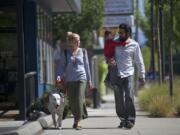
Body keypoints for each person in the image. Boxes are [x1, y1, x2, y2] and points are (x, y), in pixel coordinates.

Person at [107, 23, 146, 129]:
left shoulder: (134, 45)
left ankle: (130, 120)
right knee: (119, 100)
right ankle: (123, 119)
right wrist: (110, 60)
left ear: (128, 33)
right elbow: (108, 55)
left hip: (128, 74)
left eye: (122, 33)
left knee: (129, 96)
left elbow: (139, 61)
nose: (119, 34)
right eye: (119, 32)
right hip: (116, 74)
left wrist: (142, 76)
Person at [56, 32, 93, 130]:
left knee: (79, 97)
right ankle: (80, 115)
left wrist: (89, 80)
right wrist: (59, 78)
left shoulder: (83, 51)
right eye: (76, 40)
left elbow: (87, 67)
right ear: (71, 42)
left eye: (79, 40)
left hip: (81, 78)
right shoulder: (65, 53)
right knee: (72, 101)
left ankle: (78, 121)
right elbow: (61, 67)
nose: (78, 42)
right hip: (69, 80)